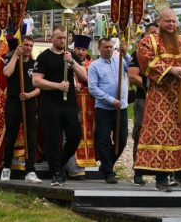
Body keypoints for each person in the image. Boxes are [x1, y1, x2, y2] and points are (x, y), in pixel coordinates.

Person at [134, 8, 181, 192]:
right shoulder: (149, 41)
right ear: (159, 22)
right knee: (162, 135)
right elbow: (146, 62)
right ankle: (161, 178)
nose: (172, 24)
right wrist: (171, 70)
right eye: (168, 21)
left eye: (174, 21)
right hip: (161, 98)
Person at [32, 26, 88, 186]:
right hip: (50, 103)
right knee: (53, 138)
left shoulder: (70, 55)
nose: (62, 41)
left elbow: (84, 76)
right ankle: (56, 172)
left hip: (69, 103)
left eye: (64, 38)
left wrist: (72, 62)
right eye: (59, 38)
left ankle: (60, 163)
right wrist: (57, 86)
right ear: (52, 38)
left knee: (75, 135)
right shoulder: (44, 57)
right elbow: (36, 81)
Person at [88, 36, 131, 184]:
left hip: (121, 107)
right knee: (104, 140)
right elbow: (93, 88)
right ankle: (109, 172)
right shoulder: (94, 66)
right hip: (104, 108)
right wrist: (111, 100)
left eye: (111, 47)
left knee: (122, 139)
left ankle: (106, 166)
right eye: (105, 47)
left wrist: (125, 54)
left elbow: (133, 67)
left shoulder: (120, 61)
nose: (108, 49)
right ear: (99, 48)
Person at [0, 35, 41, 183]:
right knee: (11, 135)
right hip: (13, 103)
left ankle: (30, 170)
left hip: (29, 103)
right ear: (20, 46)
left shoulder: (35, 64)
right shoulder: (11, 59)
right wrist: (16, 55)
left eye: (31, 45)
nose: (28, 48)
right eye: (26, 45)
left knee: (31, 137)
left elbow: (39, 88)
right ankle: (6, 168)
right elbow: (7, 73)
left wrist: (29, 95)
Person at [128, 22, 159, 186]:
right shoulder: (137, 54)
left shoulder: (164, 54)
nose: (155, 36)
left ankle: (163, 173)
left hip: (162, 102)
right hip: (144, 99)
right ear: (145, 35)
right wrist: (151, 86)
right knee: (140, 134)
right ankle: (138, 172)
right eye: (152, 32)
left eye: (157, 33)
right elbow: (132, 76)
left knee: (161, 136)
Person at [66, 34, 94, 179]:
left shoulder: (92, 64)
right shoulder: (66, 61)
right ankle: (72, 167)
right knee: (71, 133)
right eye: (78, 49)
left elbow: (90, 81)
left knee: (86, 134)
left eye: (83, 49)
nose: (81, 52)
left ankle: (82, 164)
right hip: (71, 103)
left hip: (88, 105)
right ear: (74, 48)